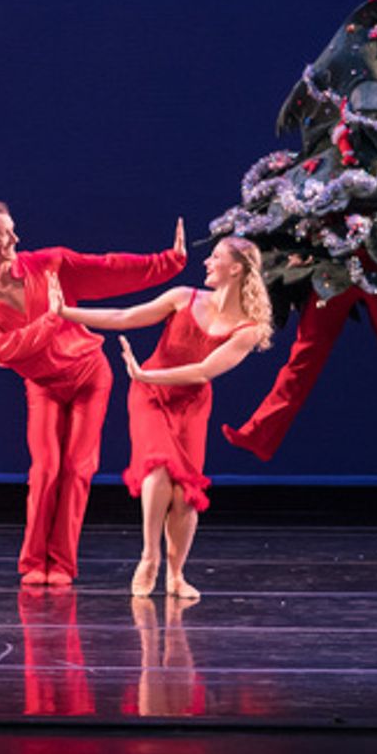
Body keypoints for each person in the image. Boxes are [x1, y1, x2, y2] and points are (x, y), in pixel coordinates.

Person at [0, 200, 186, 586]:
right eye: (4, 234)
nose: (16, 238)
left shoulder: (47, 264)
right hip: (44, 385)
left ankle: (62, 563)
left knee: (78, 468)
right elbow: (2, 351)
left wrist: (169, 262)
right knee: (45, 470)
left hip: (88, 376)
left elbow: (108, 269)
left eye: (14, 229)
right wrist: (52, 319)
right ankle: (34, 560)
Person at [51, 236, 272, 599]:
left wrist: (145, 374)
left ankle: (177, 575)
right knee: (158, 469)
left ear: (236, 268)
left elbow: (203, 371)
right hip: (150, 395)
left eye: (215, 257)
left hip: (189, 403)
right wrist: (66, 313)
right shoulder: (183, 297)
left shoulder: (249, 329)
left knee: (185, 493)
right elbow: (125, 316)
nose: (207, 262)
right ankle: (149, 555)